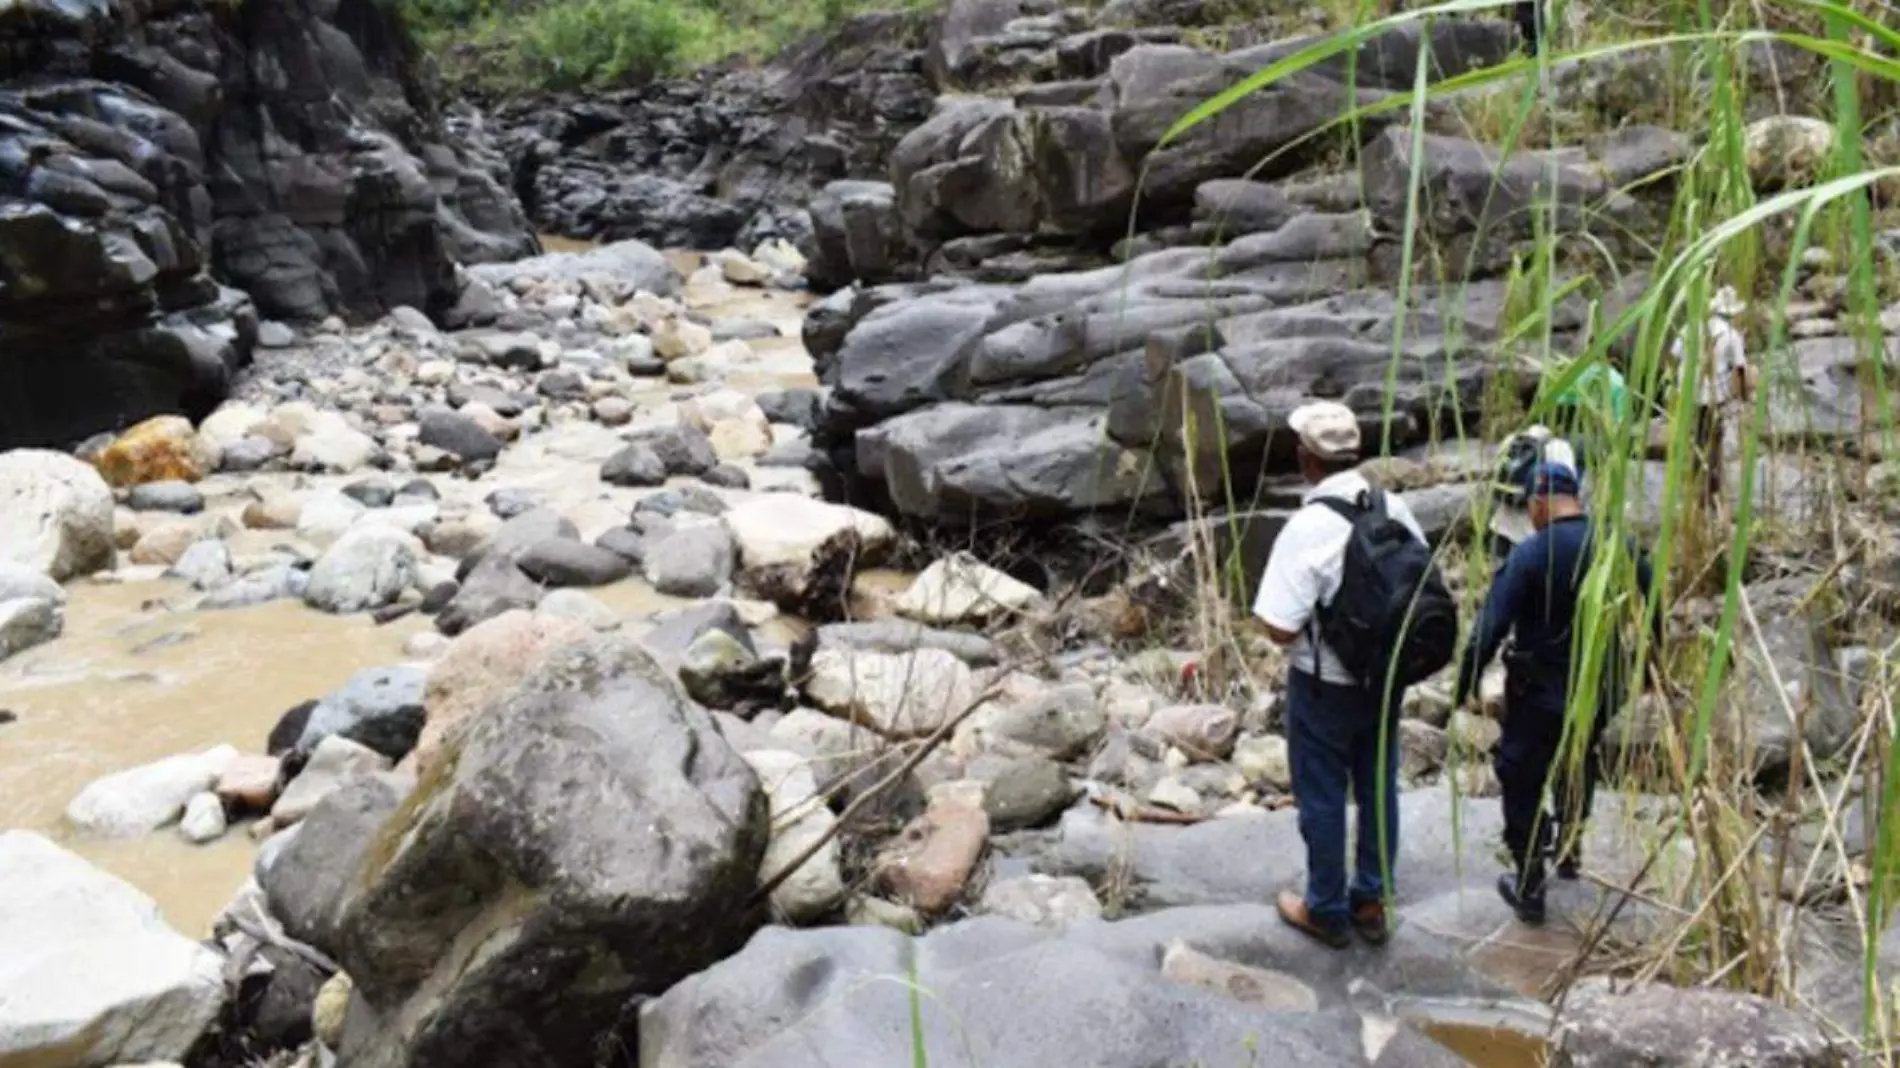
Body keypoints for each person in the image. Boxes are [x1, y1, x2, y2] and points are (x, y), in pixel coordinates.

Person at [1253, 400, 1430, 948]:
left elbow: (1280, 628)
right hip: (1384, 679)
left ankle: (1326, 908)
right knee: (1379, 786)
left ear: (1306, 460)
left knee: (1324, 794)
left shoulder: (1306, 527)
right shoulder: (1392, 507)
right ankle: (1373, 899)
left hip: (1323, 683)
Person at [1453, 463, 1659, 925]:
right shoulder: (1617, 545)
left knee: (1519, 772)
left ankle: (1529, 885)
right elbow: (1654, 602)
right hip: (1601, 687)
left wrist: (1464, 685)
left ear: (1538, 504)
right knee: (1579, 757)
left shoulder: (1530, 555)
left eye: (1529, 509)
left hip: (1539, 690)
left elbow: (1489, 628)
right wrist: (1650, 666)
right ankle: (1570, 848)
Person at [1671, 287, 1754, 507]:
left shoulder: (1690, 327)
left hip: (1687, 391)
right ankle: (1709, 486)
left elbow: (1673, 357)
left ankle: (1694, 479)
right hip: (1712, 395)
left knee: (1695, 434)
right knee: (1712, 438)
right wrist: (1744, 396)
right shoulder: (1730, 335)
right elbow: (1740, 369)